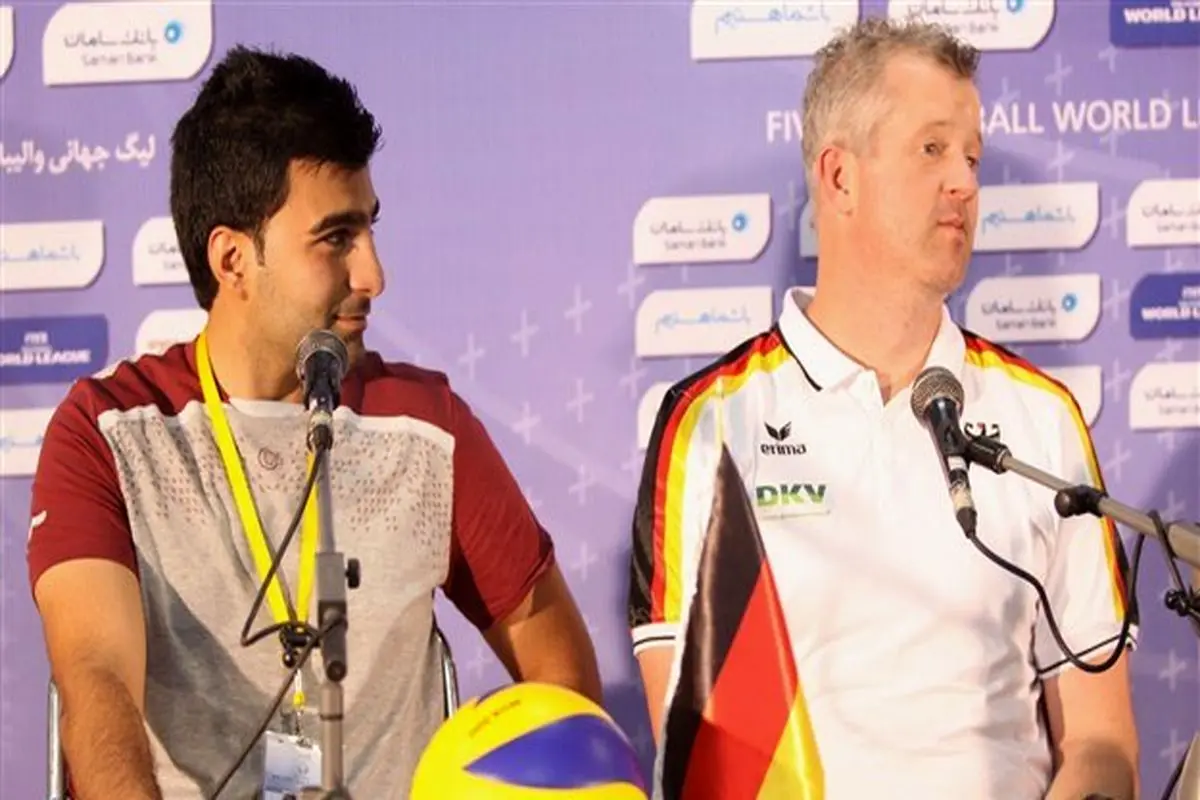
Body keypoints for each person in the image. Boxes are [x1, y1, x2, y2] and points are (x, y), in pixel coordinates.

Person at [27, 46, 602, 800]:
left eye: (370, 230)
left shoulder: (426, 425)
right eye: (336, 238)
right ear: (233, 259)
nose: (373, 275)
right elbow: (97, 681)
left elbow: (553, 659)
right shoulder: (109, 431)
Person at [627, 17, 1139, 800]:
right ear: (840, 178)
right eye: (932, 149)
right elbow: (696, 754)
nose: (964, 182)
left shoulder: (1044, 419)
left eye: (972, 156)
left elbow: (1102, 744)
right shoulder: (710, 422)